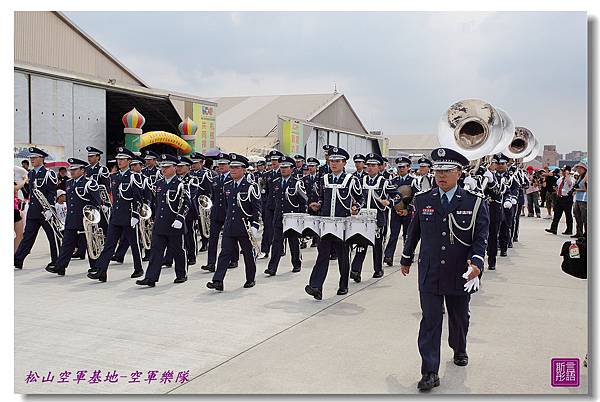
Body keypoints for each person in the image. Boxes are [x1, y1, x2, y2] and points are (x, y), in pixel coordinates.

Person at [400, 147, 489, 391]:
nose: (441, 175)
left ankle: (459, 347)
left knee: (459, 318)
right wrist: (406, 258)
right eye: (438, 170)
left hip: (459, 271)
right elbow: (414, 232)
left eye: (447, 170)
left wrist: (477, 263)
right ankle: (429, 371)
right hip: (430, 271)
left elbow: (480, 237)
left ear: (459, 173)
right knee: (430, 320)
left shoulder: (474, 203)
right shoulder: (423, 199)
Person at [305, 147, 363, 300]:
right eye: (331, 161)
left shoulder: (351, 180)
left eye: (337, 161)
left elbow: (360, 198)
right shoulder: (324, 179)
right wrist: (317, 205)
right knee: (322, 255)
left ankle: (343, 284)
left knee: (343, 256)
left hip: (342, 224)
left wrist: (356, 207)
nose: (334, 164)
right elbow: (321, 198)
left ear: (344, 163)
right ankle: (316, 286)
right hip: (325, 224)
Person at [87, 147, 144, 282]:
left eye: (122, 159)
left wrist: (136, 215)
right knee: (109, 245)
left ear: (129, 161)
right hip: (116, 216)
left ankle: (138, 268)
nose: (119, 162)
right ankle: (101, 272)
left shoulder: (134, 177)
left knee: (134, 243)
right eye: (118, 159)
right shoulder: (114, 177)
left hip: (129, 216)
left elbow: (138, 198)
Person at [207, 153, 261, 291]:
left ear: (244, 169)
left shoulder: (250, 186)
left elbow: (256, 208)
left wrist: (255, 225)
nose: (233, 170)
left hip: (245, 226)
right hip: (230, 225)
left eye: (236, 168)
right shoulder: (227, 186)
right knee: (225, 253)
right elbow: (227, 207)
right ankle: (218, 280)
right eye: (231, 167)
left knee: (248, 254)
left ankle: (250, 278)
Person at [136, 154, 191, 287]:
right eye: (162, 167)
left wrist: (180, 218)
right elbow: (157, 203)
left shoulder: (181, 183)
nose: (163, 170)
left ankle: (181, 274)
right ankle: (151, 277)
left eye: (166, 167)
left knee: (178, 250)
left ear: (174, 168)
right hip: (160, 224)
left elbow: (186, 203)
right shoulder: (159, 183)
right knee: (156, 251)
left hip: (174, 224)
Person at [46, 158, 102, 276]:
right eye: (70, 169)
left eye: (75, 169)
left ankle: (95, 266)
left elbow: (96, 203)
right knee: (67, 243)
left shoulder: (89, 183)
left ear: (82, 170)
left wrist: (91, 218)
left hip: (85, 219)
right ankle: (60, 267)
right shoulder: (69, 183)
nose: (71, 172)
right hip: (71, 219)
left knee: (89, 243)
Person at [350, 153, 396, 282]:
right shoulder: (360, 181)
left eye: (373, 165)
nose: (370, 168)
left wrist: (389, 202)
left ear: (379, 167)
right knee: (361, 244)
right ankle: (355, 270)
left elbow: (397, 196)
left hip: (378, 218)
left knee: (377, 245)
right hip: (363, 219)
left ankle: (378, 269)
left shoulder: (384, 182)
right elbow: (355, 196)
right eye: (368, 165)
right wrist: (355, 206)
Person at [14, 147, 60, 270]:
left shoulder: (48, 173)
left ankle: (56, 261)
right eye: (31, 158)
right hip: (34, 211)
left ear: (41, 159)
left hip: (46, 211)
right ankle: (17, 260)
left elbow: (52, 192)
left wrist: (50, 208)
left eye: (34, 158)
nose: (32, 160)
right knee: (28, 236)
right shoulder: (31, 173)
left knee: (52, 237)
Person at [264, 155, 306, 276]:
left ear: (292, 169)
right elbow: (271, 201)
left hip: (292, 218)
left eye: (286, 167)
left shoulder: (297, 183)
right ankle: (272, 268)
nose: (283, 170)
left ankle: (296, 263)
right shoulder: (275, 182)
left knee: (293, 242)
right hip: (278, 217)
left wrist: (302, 218)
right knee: (276, 242)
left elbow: (303, 201)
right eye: (281, 167)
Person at [201, 153, 239, 272]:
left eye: (224, 164)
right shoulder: (215, 179)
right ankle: (211, 263)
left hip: (228, 213)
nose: (221, 166)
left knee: (231, 237)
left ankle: (233, 259)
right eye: (220, 164)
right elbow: (212, 196)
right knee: (213, 239)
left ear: (229, 165)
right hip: (216, 213)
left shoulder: (232, 178)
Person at [383, 156, 415, 266]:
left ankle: (408, 255)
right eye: (399, 167)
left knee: (408, 235)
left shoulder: (413, 181)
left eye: (403, 167)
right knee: (393, 234)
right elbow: (389, 196)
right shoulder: (392, 181)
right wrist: (393, 207)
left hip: (408, 213)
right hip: (395, 212)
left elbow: (415, 198)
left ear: (408, 168)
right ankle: (388, 256)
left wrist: (408, 209)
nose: (401, 169)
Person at [258, 150, 283, 259]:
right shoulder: (266, 175)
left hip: (280, 205)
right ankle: (265, 250)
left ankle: (280, 249)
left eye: (276, 160)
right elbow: (264, 191)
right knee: (267, 228)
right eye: (272, 160)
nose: (273, 162)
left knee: (280, 228)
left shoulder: (283, 173)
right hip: (269, 205)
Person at [545, 165, 574, 235]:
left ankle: (569, 230)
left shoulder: (571, 178)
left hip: (567, 198)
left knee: (568, 215)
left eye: (564, 171)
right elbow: (556, 186)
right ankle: (553, 228)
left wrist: (567, 175)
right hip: (559, 198)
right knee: (556, 214)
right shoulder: (560, 179)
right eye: (562, 171)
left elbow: (570, 184)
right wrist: (556, 189)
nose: (563, 172)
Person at [302, 157, 321, 248]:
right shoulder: (304, 179)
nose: (310, 168)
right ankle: (305, 240)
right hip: (308, 203)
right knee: (308, 222)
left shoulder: (320, 178)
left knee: (317, 222)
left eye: (312, 166)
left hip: (317, 204)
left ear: (316, 167)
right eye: (309, 166)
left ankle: (316, 240)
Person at [572, 162, 587, 238]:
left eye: (580, 168)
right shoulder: (580, 177)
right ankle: (579, 233)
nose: (578, 170)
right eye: (578, 168)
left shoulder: (586, 177)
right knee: (577, 216)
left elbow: (585, 189)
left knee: (584, 217)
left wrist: (577, 190)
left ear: (584, 169)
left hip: (584, 200)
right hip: (578, 199)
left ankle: (586, 233)